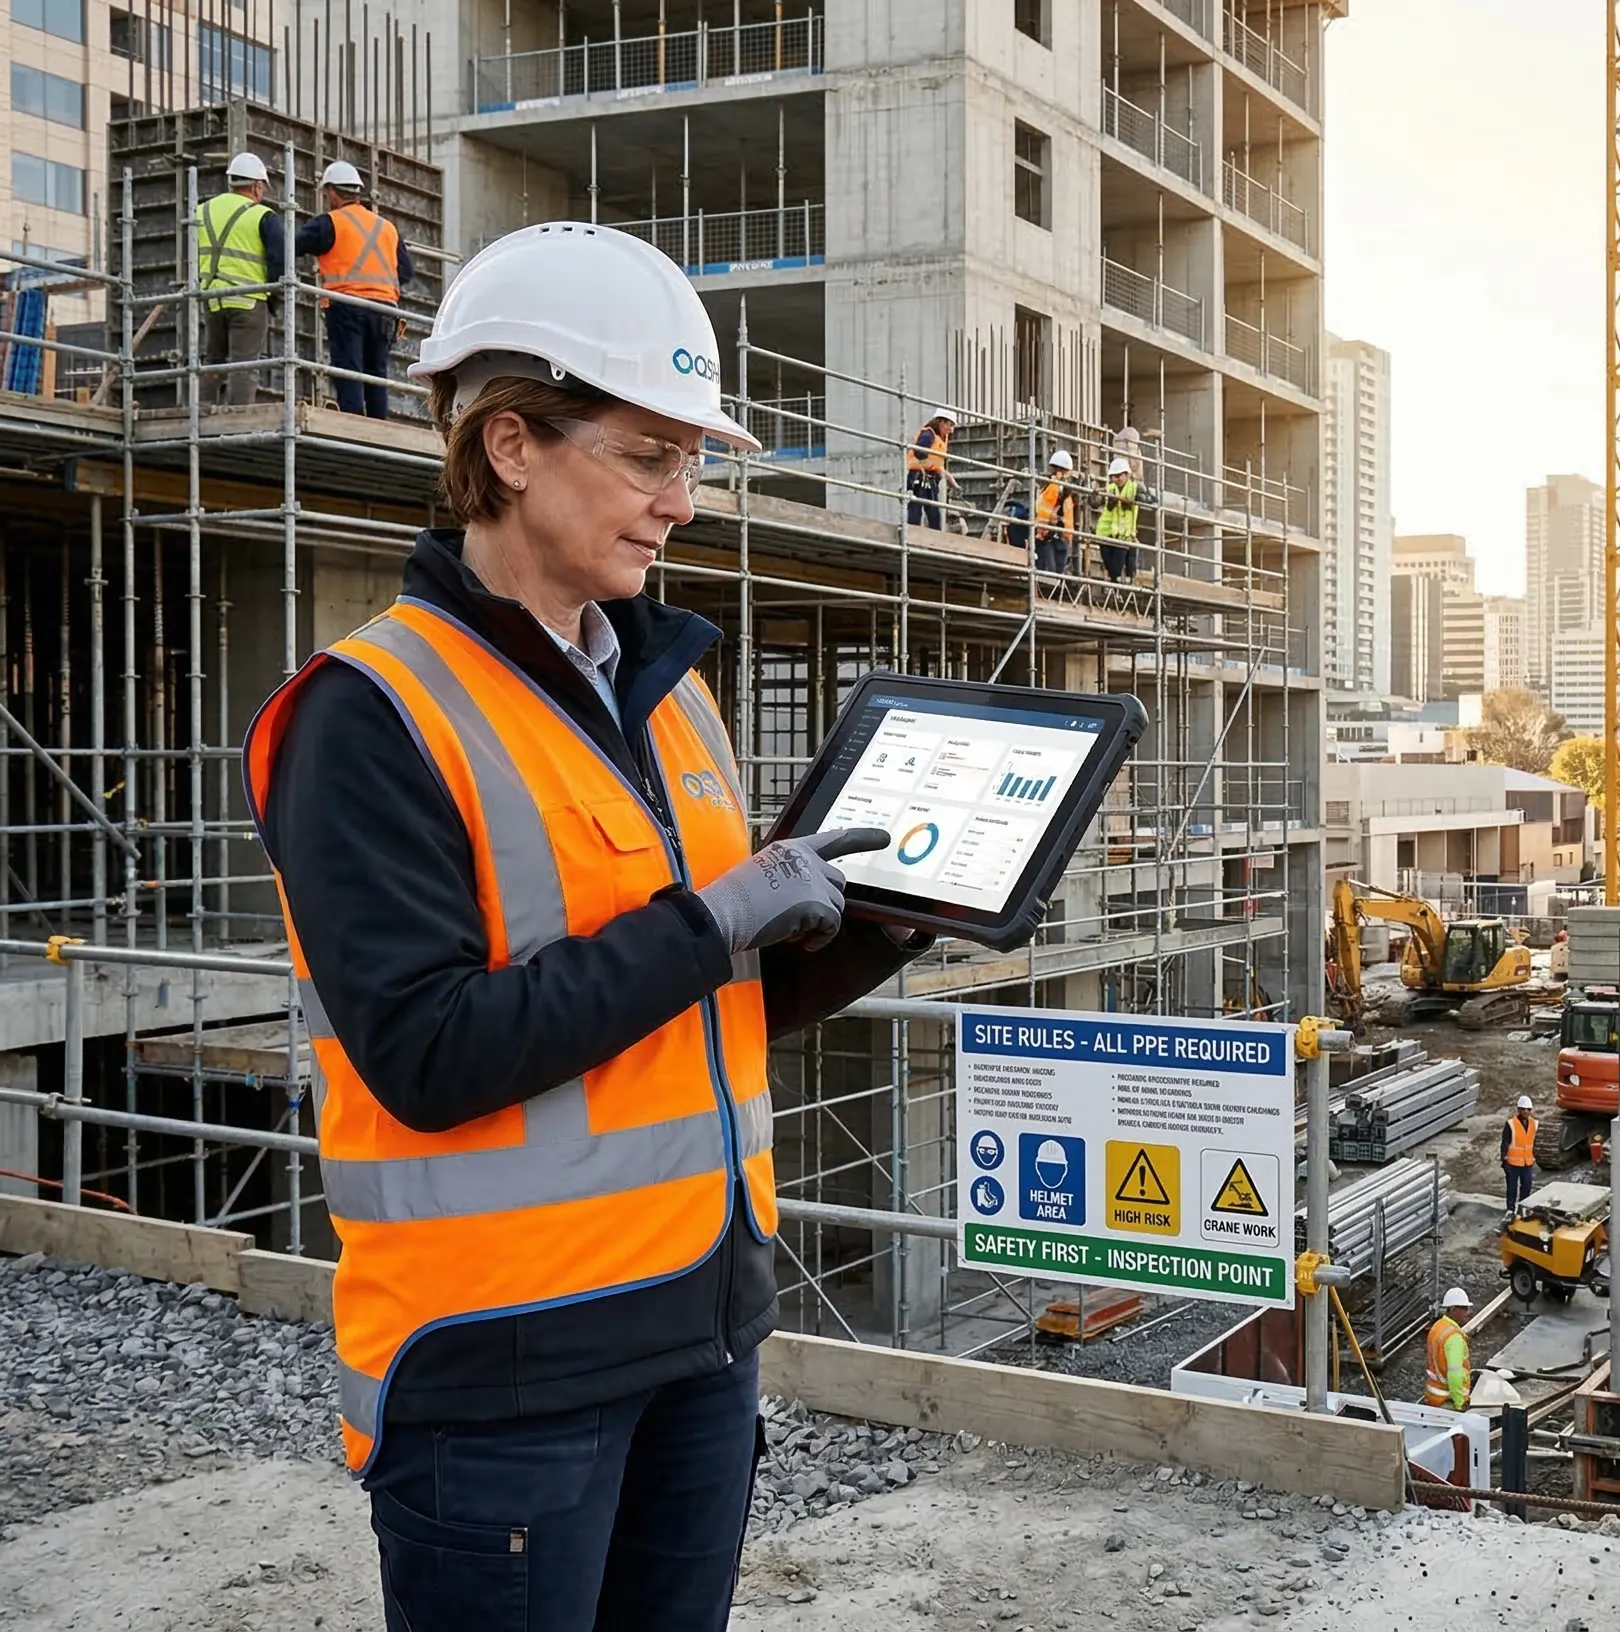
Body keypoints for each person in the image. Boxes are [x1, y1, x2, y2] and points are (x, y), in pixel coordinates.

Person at [244, 221, 933, 1631]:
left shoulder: (671, 692)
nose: (681, 499)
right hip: (501, 1376)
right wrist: (712, 916)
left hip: (702, 1333)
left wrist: (869, 935)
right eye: (646, 453)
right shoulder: (368, 713)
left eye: (693, 458)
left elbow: (694, 1009)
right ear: (507, 445)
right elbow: (430, 1055)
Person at [296, 160, 414, 419]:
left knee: (349, 367)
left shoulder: (329, 223)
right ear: (358, 192)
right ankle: (378, 425)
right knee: (377, 371)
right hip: (384, 309)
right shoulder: (387, 228)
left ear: (332, 192)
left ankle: (353, 421)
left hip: (346, 304)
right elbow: (405, 272)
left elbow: (292, 246)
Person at [196, 152, 288, 407]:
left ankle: (202, 414)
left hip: (212, 300)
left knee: (213, 361)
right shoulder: (262, 215)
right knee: (243, 365)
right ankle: (236, 418)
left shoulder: (201, 211)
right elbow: (280, 262)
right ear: (257, 185)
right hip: (249, 301)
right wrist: (275, 299)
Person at [1094, 454, 1145, 583]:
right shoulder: (1109, 489)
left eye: (1119, 476)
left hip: (1123, 536)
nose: (1116, 479)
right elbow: (1094, 503)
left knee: (1117, 570)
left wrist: (1130, 501)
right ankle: (1115, 590)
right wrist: (1096, 494)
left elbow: (1148, 500)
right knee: (1110, 568)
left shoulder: (1134, 488)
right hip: (1105, 533)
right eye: (1113, 476)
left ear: (1127, 475)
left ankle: (1119, 591)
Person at [1423, 1287, 1473, 1409]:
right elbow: (1454, 1375)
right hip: (1447, 1399)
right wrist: (1460, 1404)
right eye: (1464, 1308)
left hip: (1433, 1395)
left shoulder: (1438, 1327)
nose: (1468, 1312)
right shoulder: (1454, 1338)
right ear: (1453, 1309)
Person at [904, 410, 954, 532]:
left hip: (931, 477)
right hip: (918, 476)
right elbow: (919, 451)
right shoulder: (928, 434)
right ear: (941, 422)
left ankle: (935, 540)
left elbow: (937, 462)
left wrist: (947, 477)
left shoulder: (941, 438)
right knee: (916, 511)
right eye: (950, 425)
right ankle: (912, 536)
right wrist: (931, 467)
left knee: (934, 513)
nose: (951, 430)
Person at [1033, 447, 1080, 577]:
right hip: (1051, 535)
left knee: (1053, 572)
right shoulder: (1054, 488)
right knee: (1051, 573)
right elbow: (1045, 512)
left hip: (1057, 535)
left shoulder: (1058, 489)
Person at [1500, 1094, 1539, 1213]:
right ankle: (1510, 1210)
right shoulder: (1511, 1124)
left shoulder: (1534, 1124)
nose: (1526, 1112)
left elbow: (1533, 1142)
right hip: (1513, 1164)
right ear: (1518, 1110)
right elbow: (1505, 1142)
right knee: (1512, 1188)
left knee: (1526, 1187)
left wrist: (1535, 1156)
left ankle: (1522, 1209)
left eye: (1528, 1109)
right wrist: (1504, 1160)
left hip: (1527, 1163)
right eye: (1523, 1109)